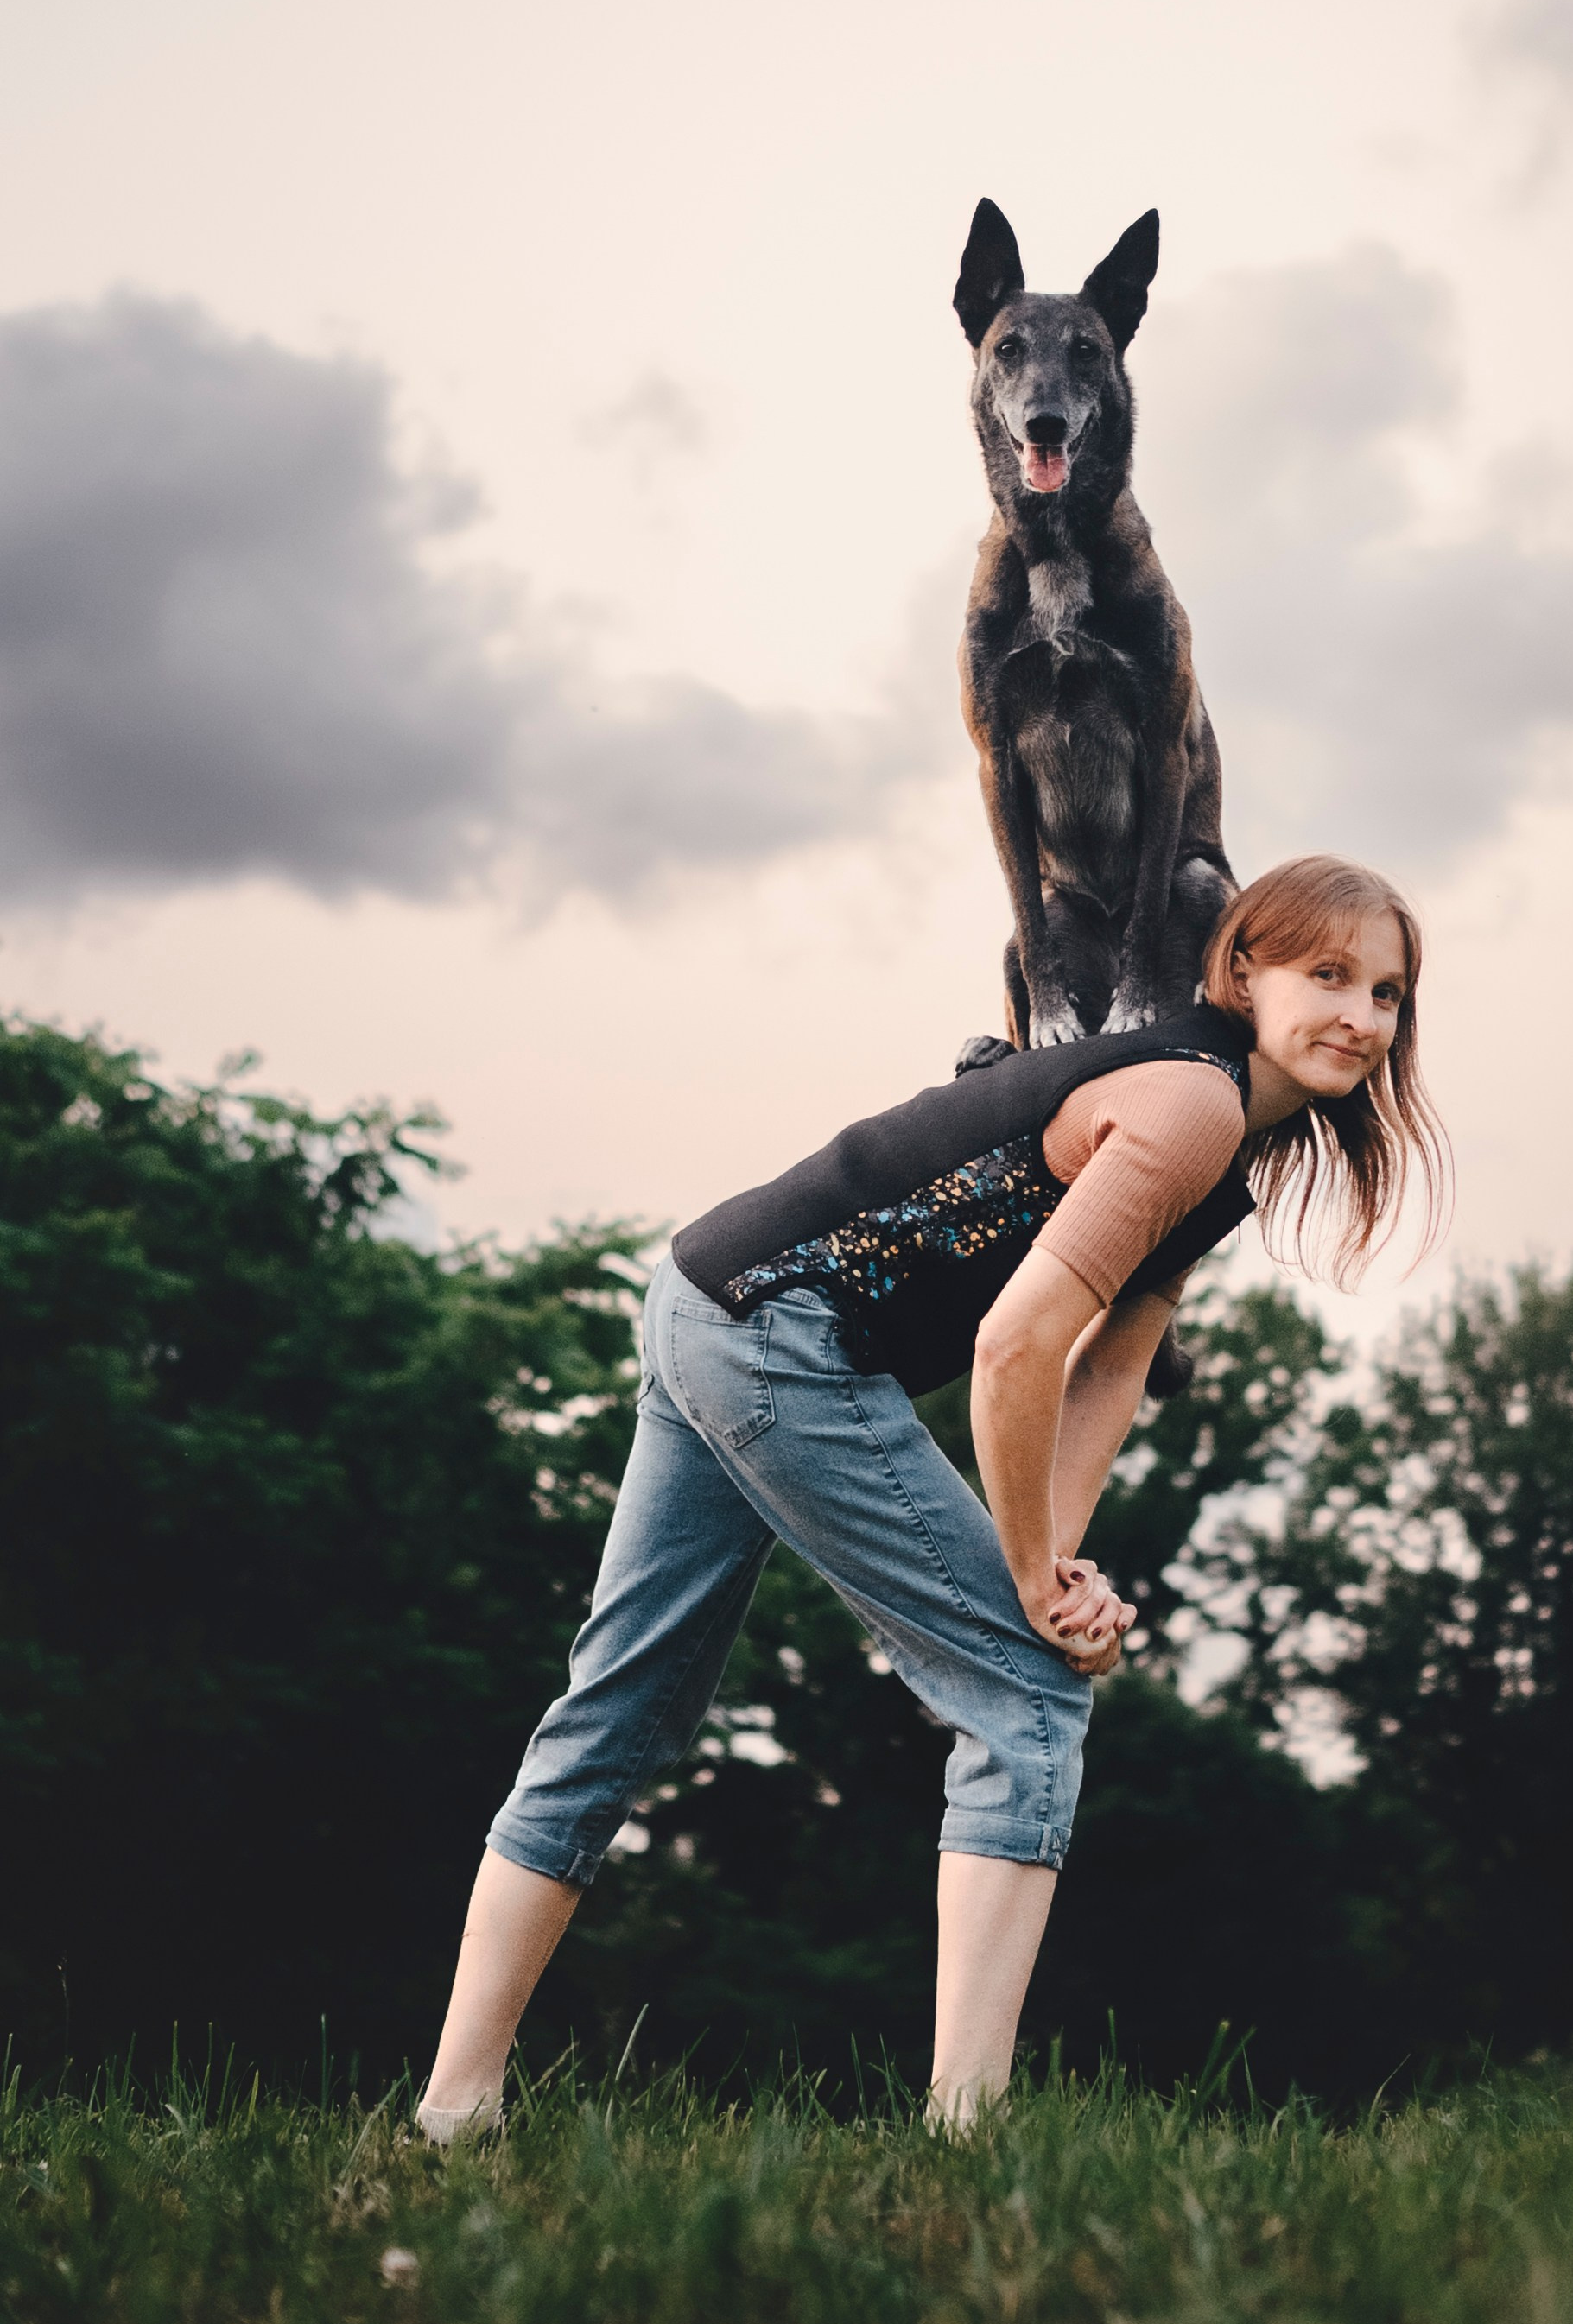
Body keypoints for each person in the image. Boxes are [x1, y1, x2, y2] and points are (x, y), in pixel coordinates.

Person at [416, 854, 1447, 2134]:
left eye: (1387, 993)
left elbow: (1107, 1363)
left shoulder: (1223, 1146)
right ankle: (967, 2136)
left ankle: (454, 2109)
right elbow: (1019, 1347)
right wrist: (1028, 1587)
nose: (1359, 1014)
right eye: (1328, 975)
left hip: (704, 1298)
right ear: (1242, 970)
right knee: (1025, 1697)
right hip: (777, 1334)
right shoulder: (1191, 1105)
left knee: (618, 1712)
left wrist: (1058, 1567)